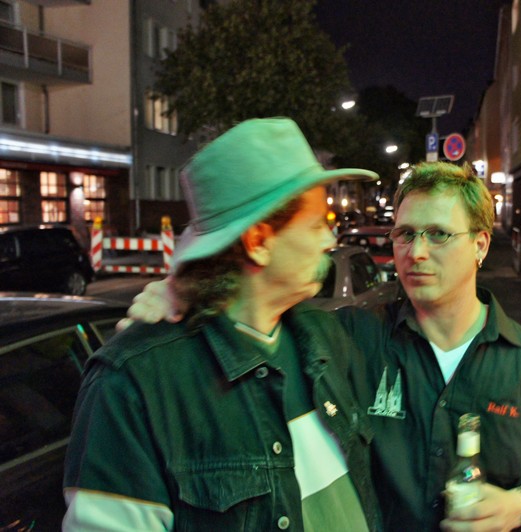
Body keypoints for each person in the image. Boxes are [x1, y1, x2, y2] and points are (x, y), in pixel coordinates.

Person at [124, 162, 521, 531]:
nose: (416, 252)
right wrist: (187, 293)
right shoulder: (350, 338)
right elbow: (257, 308)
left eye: (438, 234)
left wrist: (519, 504)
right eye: (405, 234)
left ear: (481, 245)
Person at [63, 118, 382, 531]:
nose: (330, 239)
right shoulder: (133, 384)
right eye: (317, 223)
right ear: (259, 241)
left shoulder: (325, 338)